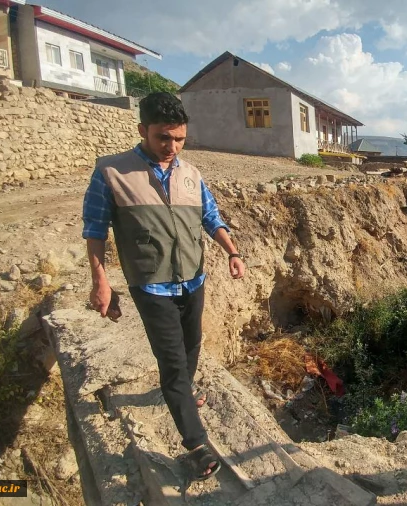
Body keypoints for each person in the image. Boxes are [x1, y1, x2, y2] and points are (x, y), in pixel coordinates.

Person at [82, 92, 245, 481]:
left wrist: (232, 252)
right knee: (172, 363)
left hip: (193, 280)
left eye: (180, 139)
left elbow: (211, 216)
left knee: (191, 349)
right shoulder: (111, 172)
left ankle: (183, 394)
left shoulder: (191, 174)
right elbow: (95, 229)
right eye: (163, 138)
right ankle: (196, 444)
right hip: (151, 285)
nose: (172, 147)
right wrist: (101, 281)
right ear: (143, 130)